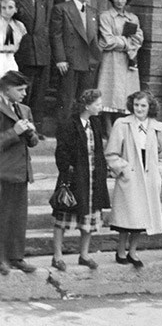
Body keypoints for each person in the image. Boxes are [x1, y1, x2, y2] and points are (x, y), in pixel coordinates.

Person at [106, 90, 162, 269]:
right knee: (127, 217)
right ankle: (120, 250)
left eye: (143, 106)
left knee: (142, 218)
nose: (139, 109)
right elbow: (112, 152)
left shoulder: (158, 127)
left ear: (150, 107)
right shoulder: (122, 123)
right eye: (136, 105)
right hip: (131, 173)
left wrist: (160, 174)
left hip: (149, 176)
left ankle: (133, 250)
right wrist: (123, 169)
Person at [50, 89, 109, 271]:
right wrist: (67, 173)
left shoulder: (95, 124)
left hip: (92, 177)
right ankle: (57, 255)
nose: (100, 107)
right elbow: (62, 152)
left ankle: (84, 254)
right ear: (87, 105)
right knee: (64, 217)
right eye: (97, 104)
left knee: (89, 218)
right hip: (74, 178)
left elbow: (98, 150)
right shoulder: (69, 124)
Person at [0, 71, 38, 274]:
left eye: (25, 89)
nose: (24, 93)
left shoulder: (24, 109)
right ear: (6, 89)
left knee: (18, 217)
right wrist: (14, 132)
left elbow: (33, 142)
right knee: (2, 216)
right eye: (20, 89)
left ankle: (16, 257)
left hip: (21, 171)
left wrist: (30, 132)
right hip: (3, 170)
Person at [51, 0, 103, 123]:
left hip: (89, 62)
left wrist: (96, 56)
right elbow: (56, 36)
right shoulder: (62, 9)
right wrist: (60, 59)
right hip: (69, 61)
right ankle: (64, 134)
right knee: (66, 99)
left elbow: (95, 37)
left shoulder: (93, 12)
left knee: (85, 101)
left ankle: (80, 131)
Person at [10, 0, 52, 126]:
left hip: (41, 53)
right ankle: (20, 124)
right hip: (23, 52)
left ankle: (34, 127)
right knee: (22, 92)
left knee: (39, 93)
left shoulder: (43, 0)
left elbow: (45, 26)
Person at [95, 0, 143, 119]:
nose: (119, 1)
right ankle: (107, 125)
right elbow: (107, 40)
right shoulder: (106, 16)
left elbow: (139, 39)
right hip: (111, 58)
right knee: (109, 91)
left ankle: (121, 124)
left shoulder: (133, 18)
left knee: (126, 93)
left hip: (129, 58)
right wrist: (128, 43)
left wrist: (124, 44)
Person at [0, 0, 26, 76]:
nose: (7, 11)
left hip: (11, 58)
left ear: (16, 9)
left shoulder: (19, 25)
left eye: (10, 7)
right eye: (3, 8)